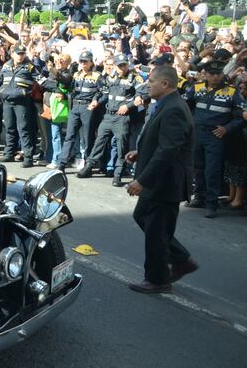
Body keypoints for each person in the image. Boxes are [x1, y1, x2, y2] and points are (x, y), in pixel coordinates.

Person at [125, 66, 197, 294]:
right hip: (160, 180)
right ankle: (181, 259)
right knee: (143, 217)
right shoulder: (166, 104)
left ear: (165, 84)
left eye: (152, 81)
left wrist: (142, 181)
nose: (148, 85)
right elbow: (162, 140)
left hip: (165, 182)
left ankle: (158, 279)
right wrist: (141, 152)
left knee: (156, 229)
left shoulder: (174, 108)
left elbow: (168, 150)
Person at [185, 60, 245, 218]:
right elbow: (185, 105)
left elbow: (241, 115)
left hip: (215, 136)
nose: (216, 77)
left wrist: (227, 128)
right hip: (197, 133)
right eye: (212, 73)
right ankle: (199, 197)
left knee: (212, 170)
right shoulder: (197, 88)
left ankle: (211, 204)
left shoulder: (231, 92)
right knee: (197, 167)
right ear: (205, 74)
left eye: (218, 73)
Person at [78, 54, 141, 186]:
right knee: (99, 142)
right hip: (108, 116)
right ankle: (88, 167)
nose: (122, 68)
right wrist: (96, 100)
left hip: (122, 117)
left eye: (124, 65)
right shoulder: (110, 78)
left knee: (121, 146)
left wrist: (128, 106)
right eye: (119, 65)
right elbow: (102, 92)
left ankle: (117, 175)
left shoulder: (135, 78)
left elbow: (141, 95)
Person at [56, 50, 103, 172]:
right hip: (75, 106)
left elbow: (102, 92)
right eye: (81, 61)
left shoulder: (97, 75)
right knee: (69, 136)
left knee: (88, 137)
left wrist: (95, 100)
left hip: (88, 107)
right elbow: (68, 87)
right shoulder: (76, 74)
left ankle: (88, 164)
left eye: (85, 61)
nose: (82, 64)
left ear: (91, 62)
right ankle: (61, 163)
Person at [0, 44, 42, 167]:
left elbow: (41, 80)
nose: (21, 56)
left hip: (22, 102)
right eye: (18, 53)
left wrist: (56, 88)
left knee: (24, 130)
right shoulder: (5, 65)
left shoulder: (29, 66)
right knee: (10, 128)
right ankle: (9, 152)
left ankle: (28, 157)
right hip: (7, 101)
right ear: (12, 54)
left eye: (23, 53)